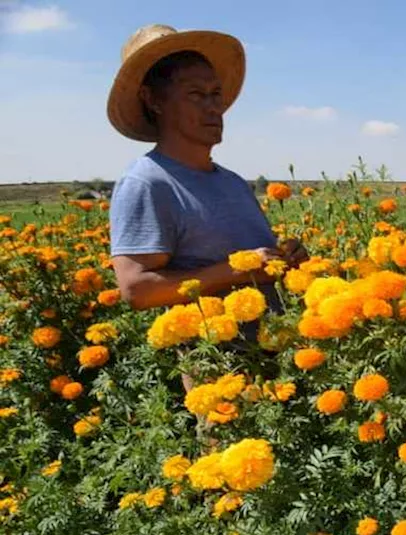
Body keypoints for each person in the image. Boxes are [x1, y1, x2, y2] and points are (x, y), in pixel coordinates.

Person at [106, 24, 305, 317]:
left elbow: (258, 263)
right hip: (215, 357)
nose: (214, 107)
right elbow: (137, 289)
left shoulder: (233, 182)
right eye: (196, 94)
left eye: (215, 94)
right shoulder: (147, 183)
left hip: (270, 354)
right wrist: (237, 270)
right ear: (153, 100)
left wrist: (287, 258)